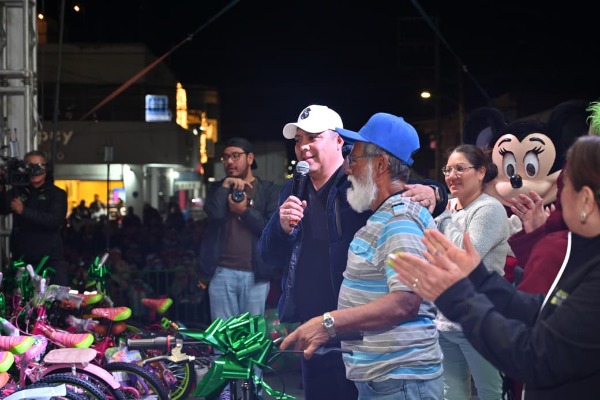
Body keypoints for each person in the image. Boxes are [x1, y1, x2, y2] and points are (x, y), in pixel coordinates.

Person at [388, 134, 600, 399]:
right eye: (448, 169)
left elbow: (535, 357)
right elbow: (542, 308)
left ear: (586, 200)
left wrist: (456, 296)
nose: (559, 196)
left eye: (564, 186)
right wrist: (477, 276)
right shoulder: (586, 253)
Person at [258, 105, 448, 400]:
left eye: (313, 137)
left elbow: (401, 188)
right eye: (298, 139)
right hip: (321, 326)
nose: (303, 147)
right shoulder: (293, 190)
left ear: (338, 141)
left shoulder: (369, 189)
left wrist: (436, 192)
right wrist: (281, 228)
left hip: (361, 333)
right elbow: (267, 255)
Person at [435, 144, 510, 400]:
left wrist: (444, 218)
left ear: (480, 172)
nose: (452, 176)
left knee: (490, 393)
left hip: (480, 320)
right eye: (448, 170)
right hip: (445, 319)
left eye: (460, 168)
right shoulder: (449, 207)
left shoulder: (489, 209)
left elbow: (467, 255)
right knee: (452, 394)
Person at [0, 150, 69, 286]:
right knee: (19, 297)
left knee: (56, 296)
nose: (34, 171)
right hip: (22, 260)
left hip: (50, 260)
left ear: (46, 168)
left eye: (38, 166)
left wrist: (24, 211)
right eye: (30, 166)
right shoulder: (19, 191)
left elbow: (54, 220)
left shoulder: (56, 194)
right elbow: (2, 208)